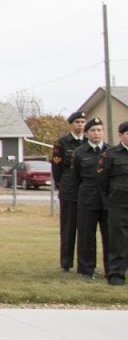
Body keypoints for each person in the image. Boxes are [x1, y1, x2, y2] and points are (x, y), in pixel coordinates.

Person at [71, 118, 109, 279]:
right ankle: (86, 270)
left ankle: (112, 269)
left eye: (99, 130)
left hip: (108, 200)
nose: (96, 133)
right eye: (93, 130)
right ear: (87, 133)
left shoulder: (111, 151)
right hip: (87, 199)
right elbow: (76, 177)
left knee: (111, 237)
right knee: (86, 236)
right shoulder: (80, 153)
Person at [50, 110, 87, 272]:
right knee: (68, 229)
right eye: (77, 122)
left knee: (86, 230)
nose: (80, 125)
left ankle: (85, 264)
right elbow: (56, 168)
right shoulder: (62, 143)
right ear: (71, 124)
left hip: (86, 192)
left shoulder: (89, 142)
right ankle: (66, 264)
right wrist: (61, 185)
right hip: (69, 191)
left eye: (82, 122)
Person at [99, 120, 128, 287]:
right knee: (118, 241)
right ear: (120, 135)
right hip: (118, 204)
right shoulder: (110, 155)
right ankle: (116, 275)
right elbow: (103, 180)